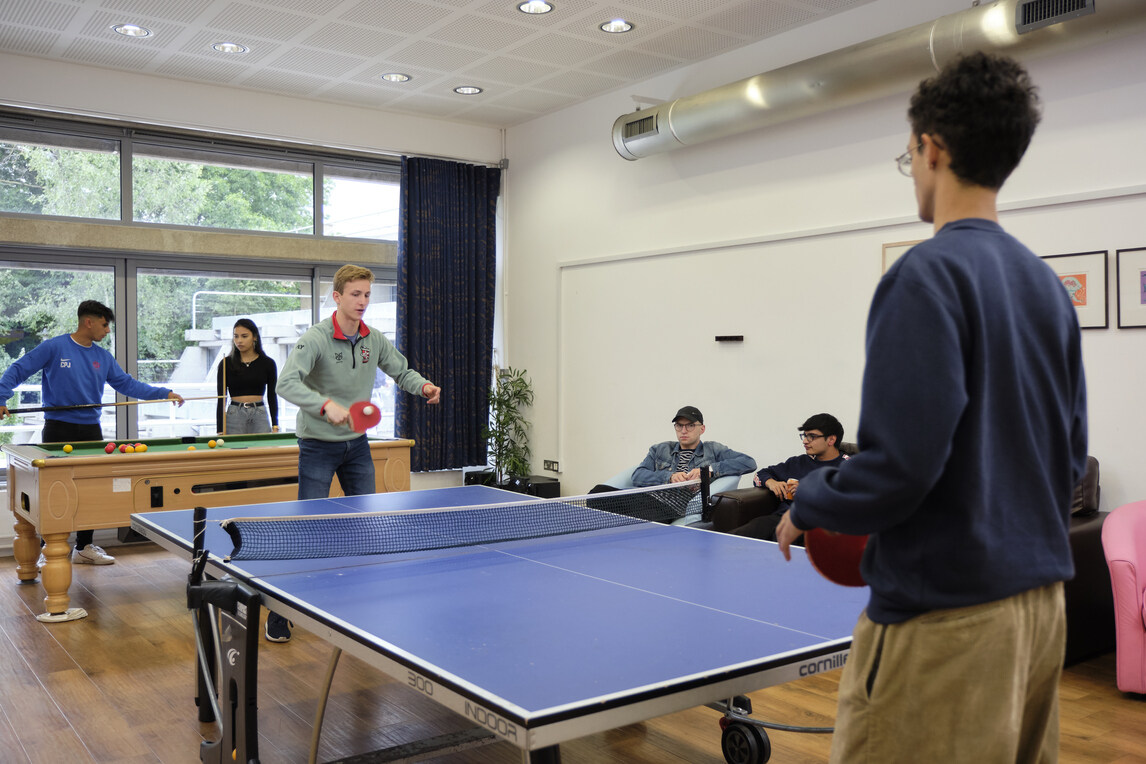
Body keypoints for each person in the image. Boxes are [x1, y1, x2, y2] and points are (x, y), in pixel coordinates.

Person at [775, 53, 1088, 763]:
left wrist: (814, 498)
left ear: (932, 147)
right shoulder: (1045, 286)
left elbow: (899, 469)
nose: (911, 169)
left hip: (947, 621)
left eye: (907, 153)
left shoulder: (925, 275)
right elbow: (1067, 459)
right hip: (1042, 613)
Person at [271, 264, 441, 642]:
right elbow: (286, 382)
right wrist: (323, 405)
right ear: (337, 296)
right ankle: (280, 610)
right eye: (355, 294)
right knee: (308, 530)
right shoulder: (314, 339)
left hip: (358, 445)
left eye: (367, 294)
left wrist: (424, 386)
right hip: (317, 446)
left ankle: (363, 603)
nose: (363, 301)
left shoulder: (373, 339)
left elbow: (402, 371)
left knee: (366, 523)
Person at [0, 300, 185, 565]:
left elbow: (127, 384)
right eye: (104, 324)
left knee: (89, 488)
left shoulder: (102, 357)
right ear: (89, 322)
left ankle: (84, 546)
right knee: (52, 488)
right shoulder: (54, 347)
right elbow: (19, 369)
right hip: (57, 428)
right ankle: (45, 547)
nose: (107, 330)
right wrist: (1, 397)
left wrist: (163, 394)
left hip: (90, 430)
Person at [730, 413, 849, 540]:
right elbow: (760, 474)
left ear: (831, 440)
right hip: (781, 519)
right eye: (804, 436)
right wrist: (771, 482)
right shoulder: (797, 462)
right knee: (743, 533)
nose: (805, 441)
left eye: (812, 437)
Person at [216, 318, 279, 435]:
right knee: (234, 451)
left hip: (259, 413)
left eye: (244, 336)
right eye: (236, 336)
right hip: (234, 414)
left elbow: (272, 396)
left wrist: (275, 424)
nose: (239, 341)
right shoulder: (225, 363)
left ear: (254, 337)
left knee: (262, 451)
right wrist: (220, 429)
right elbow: (221, 399)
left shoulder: (268, 363)